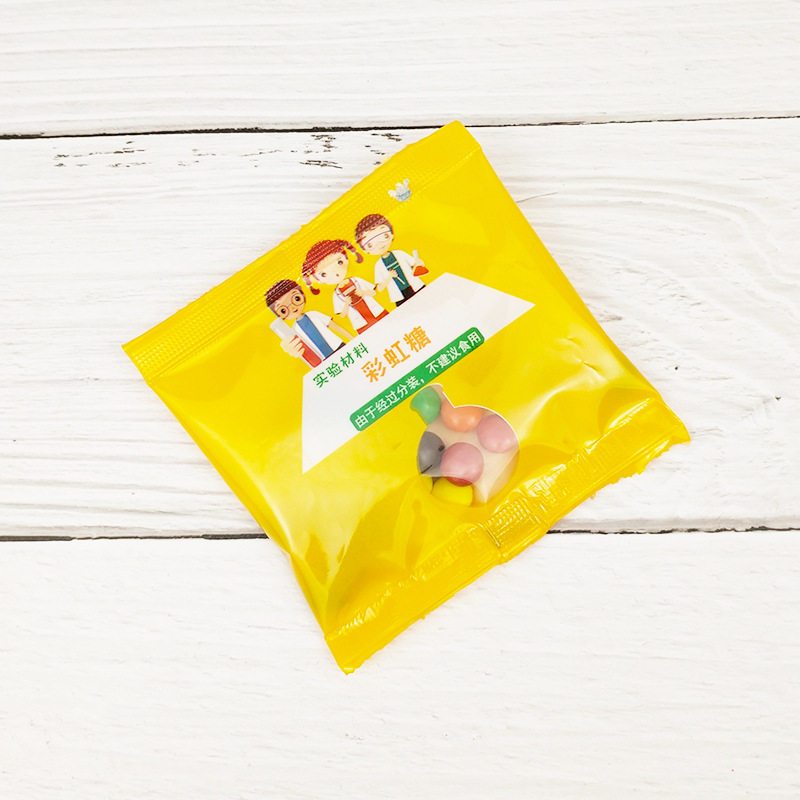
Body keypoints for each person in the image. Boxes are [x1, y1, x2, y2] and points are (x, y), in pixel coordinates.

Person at [300, 239, 388, 334]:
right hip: (362, 325)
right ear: (317, 279)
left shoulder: (356, 280)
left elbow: (373, 292)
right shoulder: (336, 294)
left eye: (339, 262)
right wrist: (346, 303)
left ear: (346, 258)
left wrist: (363, 292)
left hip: (378, 313)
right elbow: (342, 315)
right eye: (323, 274)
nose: (336, 272)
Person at [265, 279, 351, 363]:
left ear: (302, 295)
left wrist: (352, 339)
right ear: (279, 315)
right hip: (324, 358)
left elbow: (335, 326)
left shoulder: (313, 314)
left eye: (296, 298)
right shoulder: (295, 330)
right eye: (283, 310)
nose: (292, 307)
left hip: (338, 346)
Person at [354, 214, 427, 307]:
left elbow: (416, 265)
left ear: (392, 234)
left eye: (384, 236)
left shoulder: (399, 254)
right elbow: (380, 288)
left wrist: (419, 263)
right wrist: (389, 276)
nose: (380, 244)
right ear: (365, 250)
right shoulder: (378, 266)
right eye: (370, 245)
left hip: (416, 287)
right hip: (400, 296)